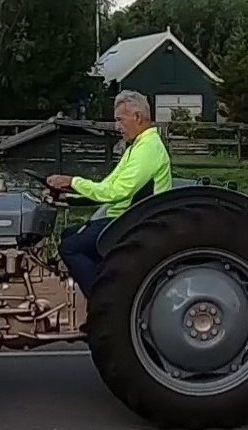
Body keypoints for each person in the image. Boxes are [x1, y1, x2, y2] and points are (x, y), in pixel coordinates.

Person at [47, 90, 172, 297]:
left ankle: (102, 301)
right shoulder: (138, 146)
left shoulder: (148, 149)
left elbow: (116, 191)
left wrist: (72, 181)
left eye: (120, 120)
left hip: (133, 222)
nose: (117, 126)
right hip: (124, 216)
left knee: (70, 248)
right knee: (68, 234)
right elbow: (107, 185)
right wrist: (67, 195)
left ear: (137, 118)